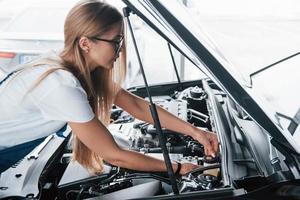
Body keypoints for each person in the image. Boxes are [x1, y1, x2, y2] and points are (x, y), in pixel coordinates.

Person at [0, 0, 218, 174]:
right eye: (116, 41)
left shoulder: (76, 68)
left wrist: (195, 132)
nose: (121, 50)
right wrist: (178, 168)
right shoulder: (61, 85)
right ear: (85, 43)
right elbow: (114, 155)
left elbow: (135, 105)